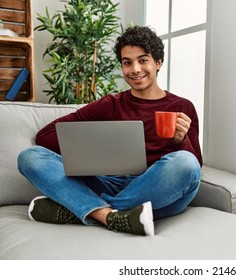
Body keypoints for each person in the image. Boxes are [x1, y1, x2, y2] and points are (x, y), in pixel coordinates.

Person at [17, 25, 203, 236]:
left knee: (186, 163)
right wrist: (91, 149)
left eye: (143, 60)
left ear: (158, 62)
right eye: (127, 62)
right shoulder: (110, 104)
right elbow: (46, 135)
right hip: (109, 181)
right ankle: (114, 217)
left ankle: (87, 209)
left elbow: (194, 166)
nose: (135, 69)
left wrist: (181, 140)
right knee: (30, 156)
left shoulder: (183, 107)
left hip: (156, 189)